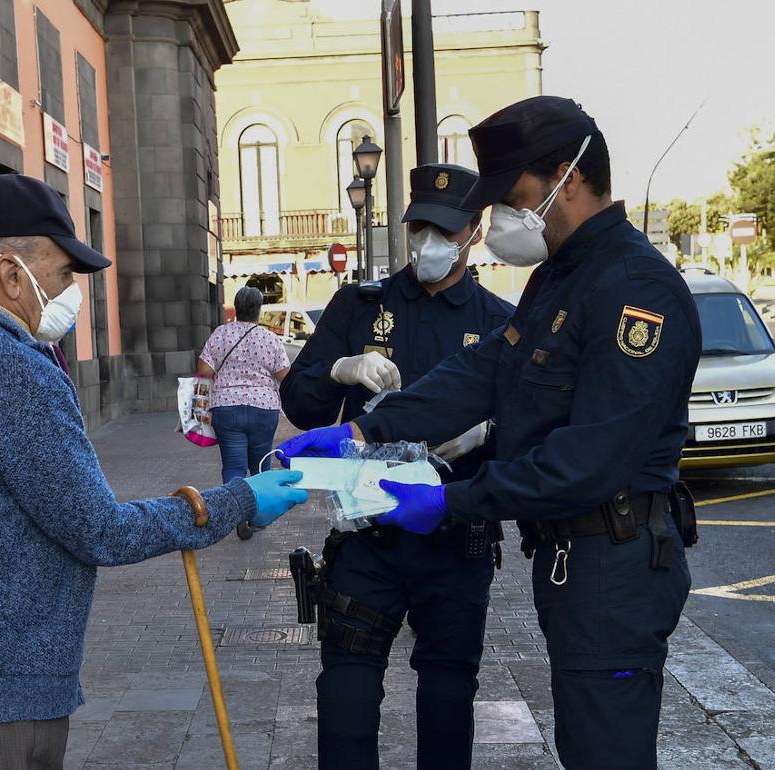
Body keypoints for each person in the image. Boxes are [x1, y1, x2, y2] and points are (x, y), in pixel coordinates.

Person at [0, 174, 308, 770]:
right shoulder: (18, 371)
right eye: (62, 274)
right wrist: (237, 501)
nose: (72, 293)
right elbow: (101, 530)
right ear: (9, 273)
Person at [280, 97, 702, 770]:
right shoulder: (560, 280)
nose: (505, 215)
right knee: (585, 744)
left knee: (605, 750)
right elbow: (483, 371)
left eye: (516, 196)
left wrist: (452, 501)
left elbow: (585, 461)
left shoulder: (632, 288)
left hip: (612, 561)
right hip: (574, 561)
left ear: (568, 176)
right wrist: (364, 426)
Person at [279, 163, 514, 769]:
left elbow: (526, 435)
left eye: (444, 230)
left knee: (448, 691)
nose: (428, 243)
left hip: (454, 538)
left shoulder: (497, 321)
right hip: (368, 538)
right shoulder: (360, 307)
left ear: (474, 232)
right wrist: (338, 369)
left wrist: (487, 433)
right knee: (345, 694)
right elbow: (302, 405)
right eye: (420, 228)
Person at [198, 285, 290, 540]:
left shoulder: (221, 334)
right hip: (264, 408)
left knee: (234, 466)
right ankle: (257, 516)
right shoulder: (270, 338)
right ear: (259, 310)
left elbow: (204, 370)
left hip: (226, 407)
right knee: (260, 465)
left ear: (236, 309)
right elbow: (284, 374)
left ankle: (236, 515)